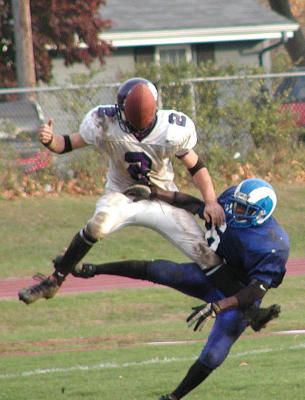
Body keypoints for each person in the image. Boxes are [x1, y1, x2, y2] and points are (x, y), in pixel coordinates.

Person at [71, 178, 289, 400]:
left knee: (213, 355)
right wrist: (154, 193)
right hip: (213, 274)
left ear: (261, 213)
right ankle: (92, 269)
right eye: (237, 204)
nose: (236, 210)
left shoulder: (273, 244)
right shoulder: (231, 202)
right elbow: (196, 205)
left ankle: (173, 397)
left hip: (238, 297)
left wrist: (218, 307)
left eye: (245, 209)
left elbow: (255, 292)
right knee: (163, 271)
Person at [18, 77, 225, 305]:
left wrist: (211, 201)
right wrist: (50, 141)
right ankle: (53, 282)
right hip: (121, 195)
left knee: (207, 255)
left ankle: (238, 302)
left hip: (162, 197)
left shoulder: (172, 129)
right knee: (97, 227)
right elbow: (66, 144)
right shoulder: (104, 121)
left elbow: (196, 166)